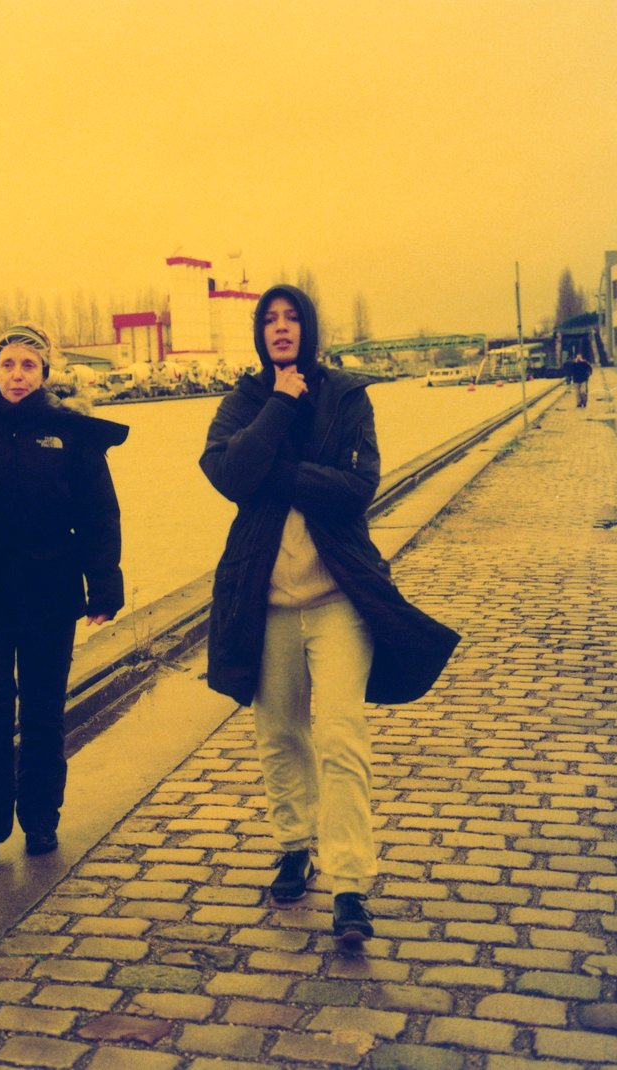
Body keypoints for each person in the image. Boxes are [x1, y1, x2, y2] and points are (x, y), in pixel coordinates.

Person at [199, 284, 459, 946]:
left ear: (309, 329)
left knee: (342, 738)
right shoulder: (244, 402)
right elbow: (227, 474)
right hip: (268, 603)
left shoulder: (346, 396)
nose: (281, 328)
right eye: (270, 319)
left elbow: (356, 488)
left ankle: (349, 882)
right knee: (280, 734)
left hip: (340, 597)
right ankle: (294, 845)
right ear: (259, 334)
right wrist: (281, 405)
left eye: (292, 318)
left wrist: (275, 471)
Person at [0, 325, 128, 867]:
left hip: (50, 594)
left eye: (28, 367)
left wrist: (104, 584)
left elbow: (99, 513)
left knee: (44, 712)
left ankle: (41, 820)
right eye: (8, 365)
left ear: (43, 375)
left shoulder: (68, 432)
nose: (17, 376)